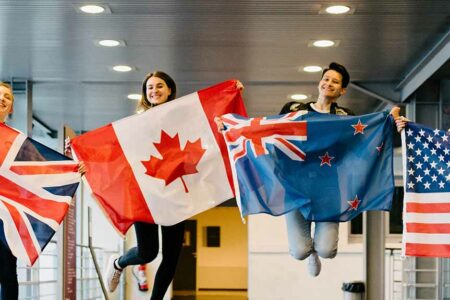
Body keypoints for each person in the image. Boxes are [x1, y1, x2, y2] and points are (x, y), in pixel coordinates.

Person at [279, 62, 354, 277]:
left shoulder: (345, 116)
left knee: (327, 250)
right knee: (300, 251)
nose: (329, 83)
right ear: (320, 82)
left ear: (342, 90)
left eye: (335, 82)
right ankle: (309, 254)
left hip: (327, 189)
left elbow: (366, 135)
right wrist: (230, 124)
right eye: (326, 79)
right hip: (295, 188)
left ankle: (318, 252)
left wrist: (392, 120)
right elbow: (266, 129)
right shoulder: (294, 110)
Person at [0, 82, 19, 300]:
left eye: (7, 97)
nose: (2, 99)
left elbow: (38, 169)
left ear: (11, 108)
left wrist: (70, 170)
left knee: (7, 273)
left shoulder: (16, 139)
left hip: (5, 217)